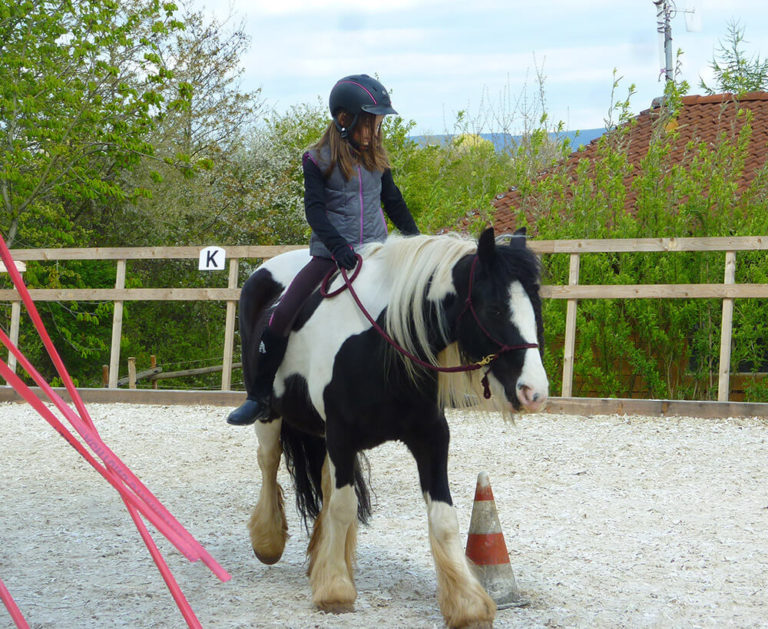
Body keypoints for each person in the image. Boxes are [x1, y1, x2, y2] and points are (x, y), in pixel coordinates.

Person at [227, 74, 420, 426]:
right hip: (330, 256)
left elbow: (394, 202)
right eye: (370, 122)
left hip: (377, 254)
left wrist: (418, 242)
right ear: (344, 119)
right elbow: (314, 210)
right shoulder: (316, 159)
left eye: (378, 124)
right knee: (281, 314)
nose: (375, 131)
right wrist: (337, 246)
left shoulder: (378, 159)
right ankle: (259, 396)